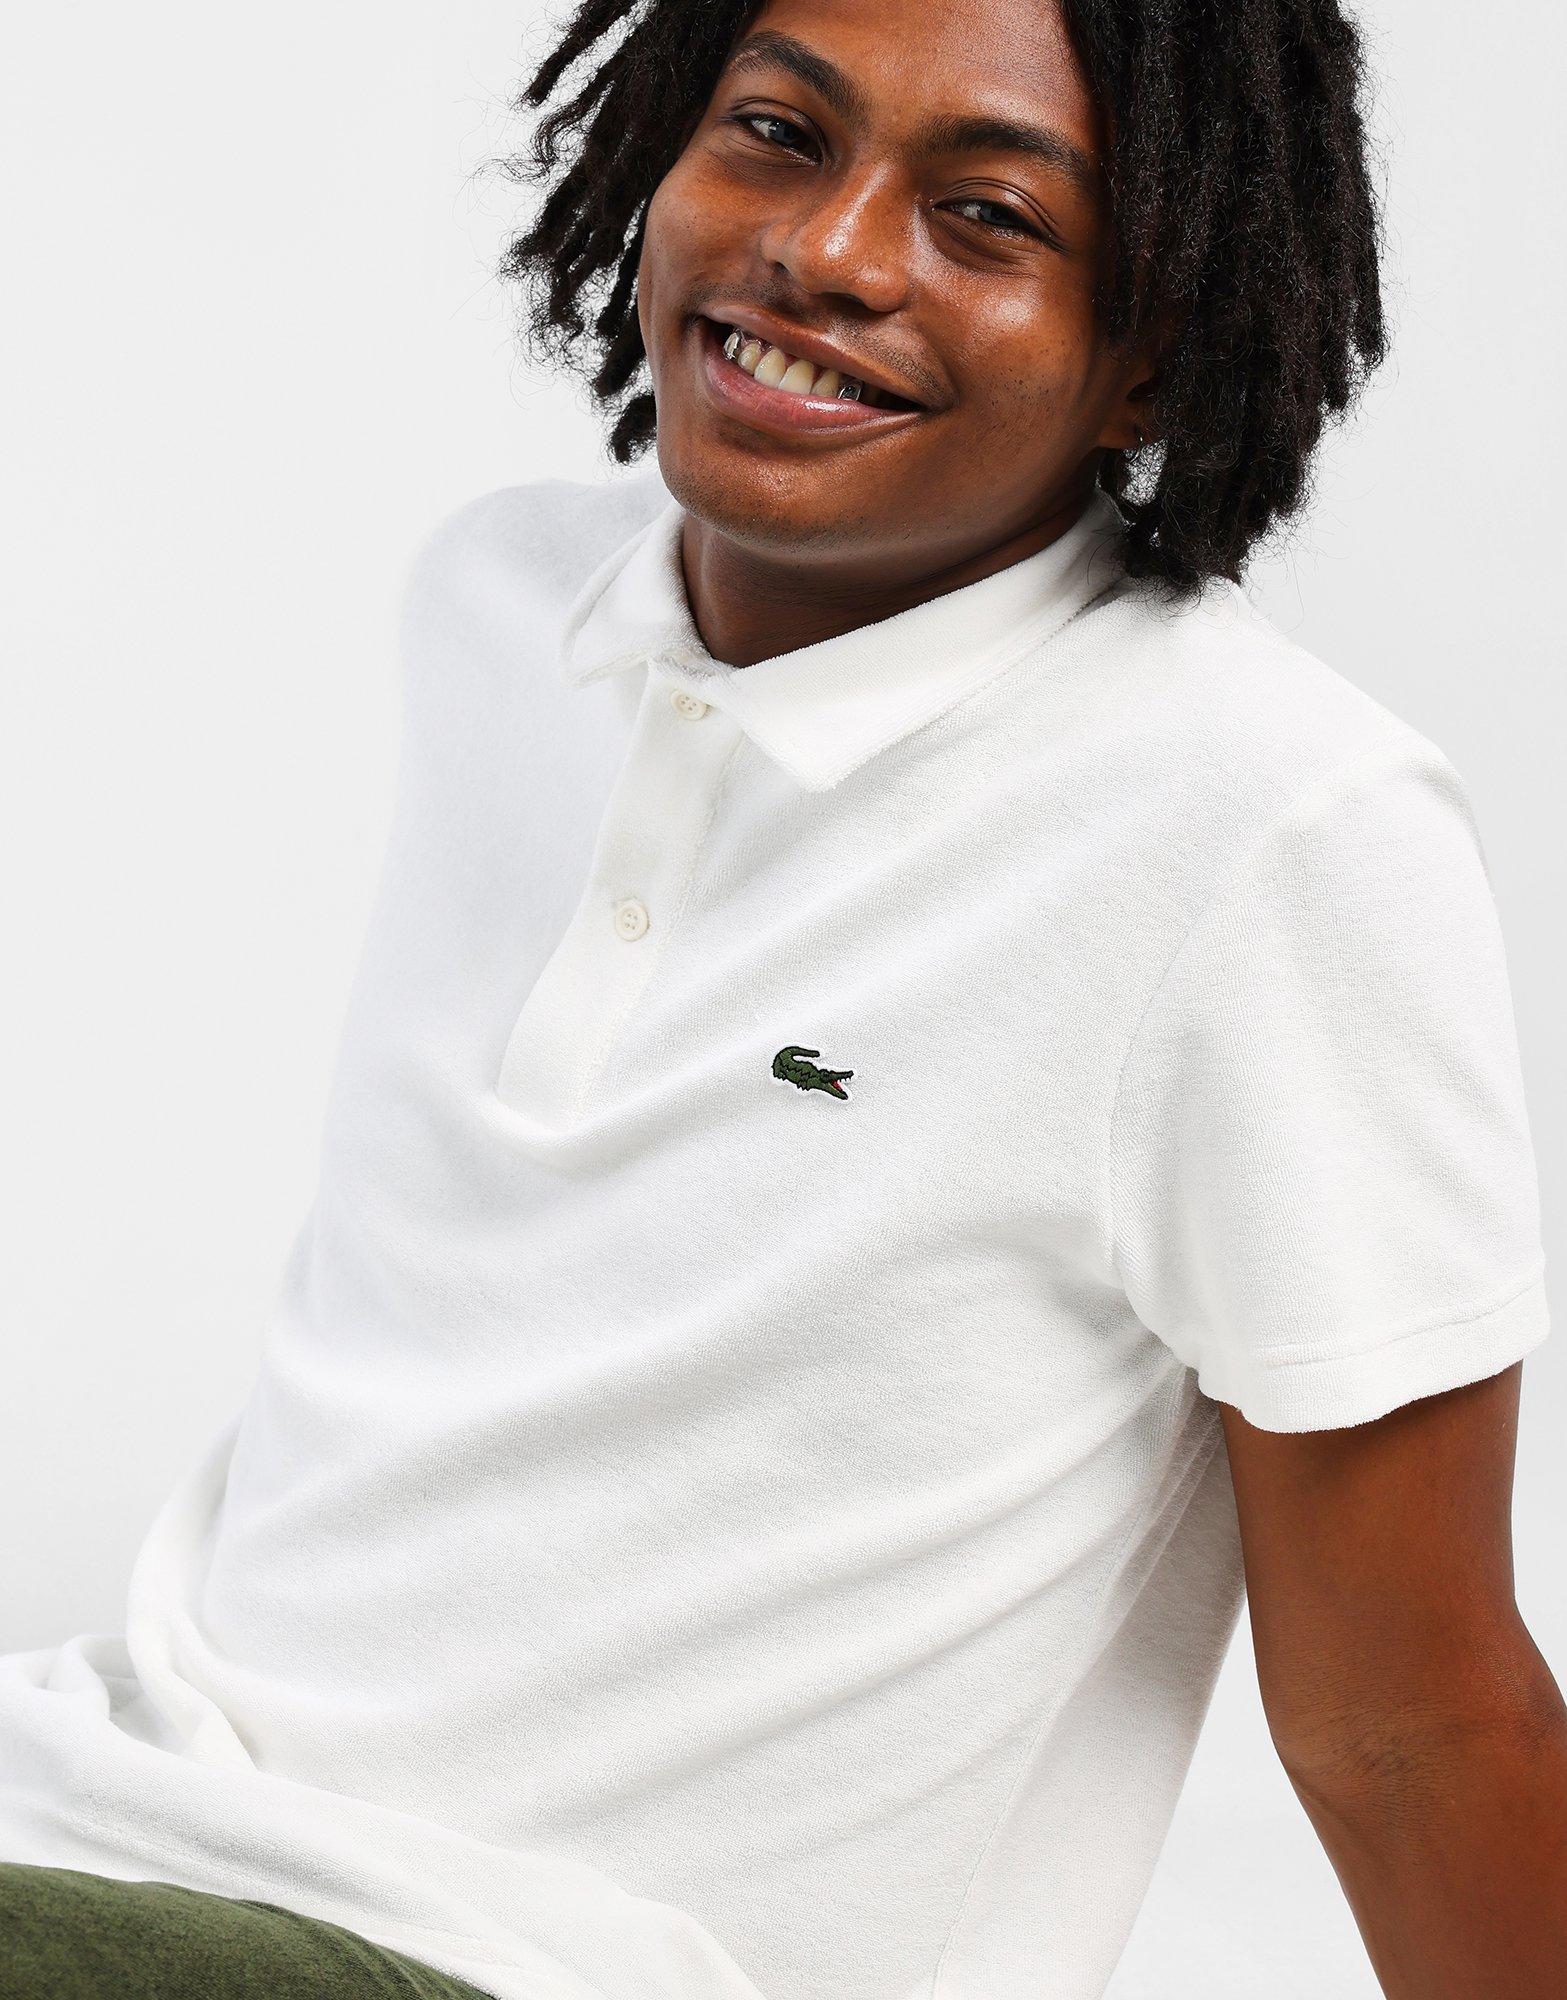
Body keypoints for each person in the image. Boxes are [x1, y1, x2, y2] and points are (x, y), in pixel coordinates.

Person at [2, 0, 1563, 1996]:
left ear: (1154, 352)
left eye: (987, 216)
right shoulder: (500, 610)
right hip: (96, 1807)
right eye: (773, 131)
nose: (825, 250)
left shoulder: (1266, 826)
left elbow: (1412, 1721)